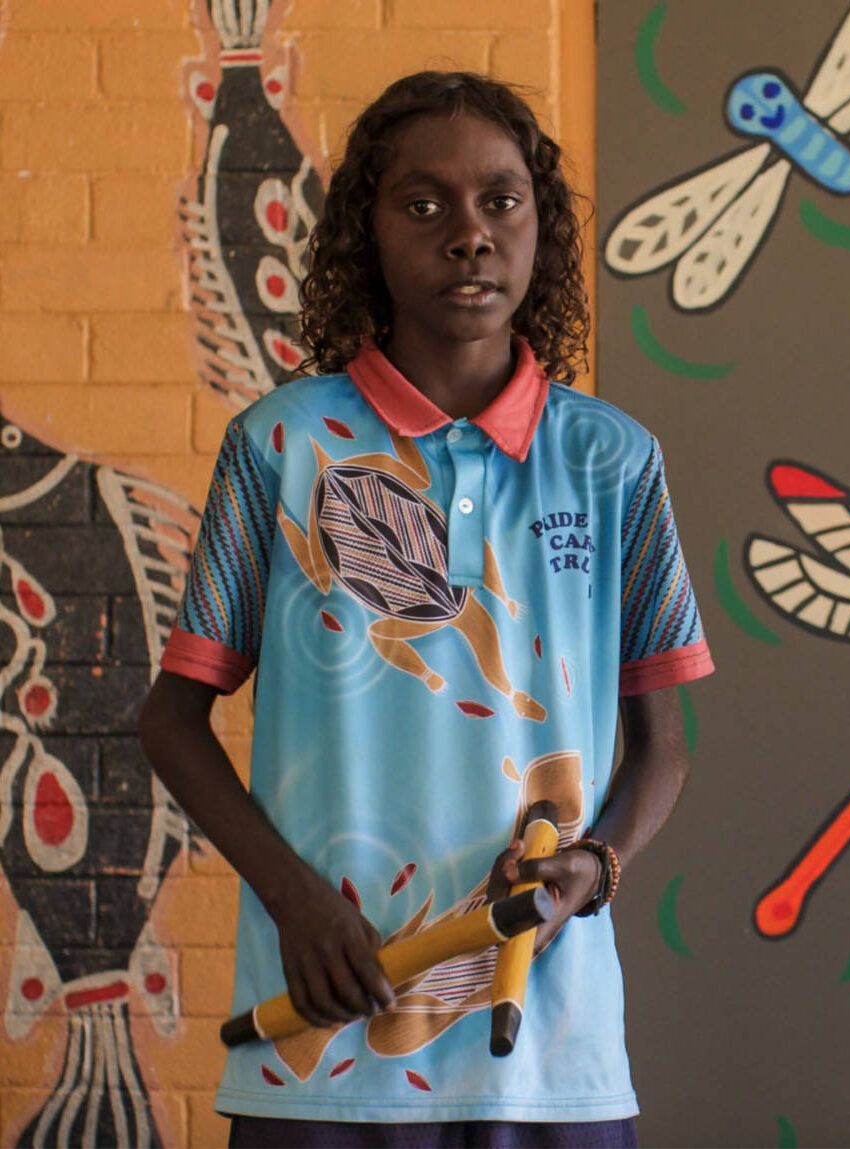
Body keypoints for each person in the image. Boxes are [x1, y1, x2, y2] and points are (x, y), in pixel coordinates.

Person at [139, 71, 712, 1148]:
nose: (469, 233)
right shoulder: (280, 445)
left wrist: (594, 867)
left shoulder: (613, 460)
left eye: (501, 201)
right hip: (323, 1049)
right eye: (423, 203)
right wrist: (293, 899)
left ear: (539, 229)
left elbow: (663, 746)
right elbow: (171, 721)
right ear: (367, 231)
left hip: (552, 1056)